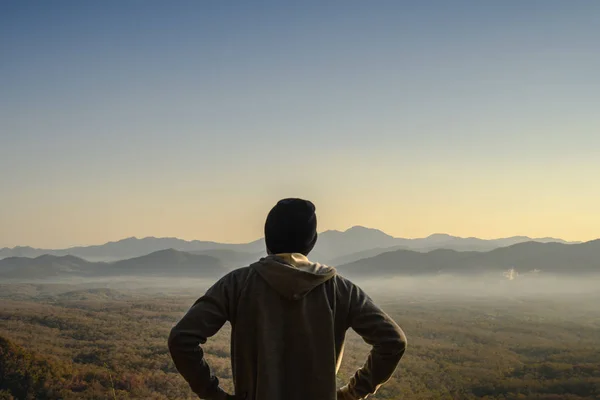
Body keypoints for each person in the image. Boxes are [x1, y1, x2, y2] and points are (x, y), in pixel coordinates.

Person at [168, 198, 407, 400]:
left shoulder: (237, 284)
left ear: (267, 238)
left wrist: (214, 394)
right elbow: (393, 341)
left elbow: (182, 338)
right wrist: (350, 393)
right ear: (311, 242)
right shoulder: (338, 289)